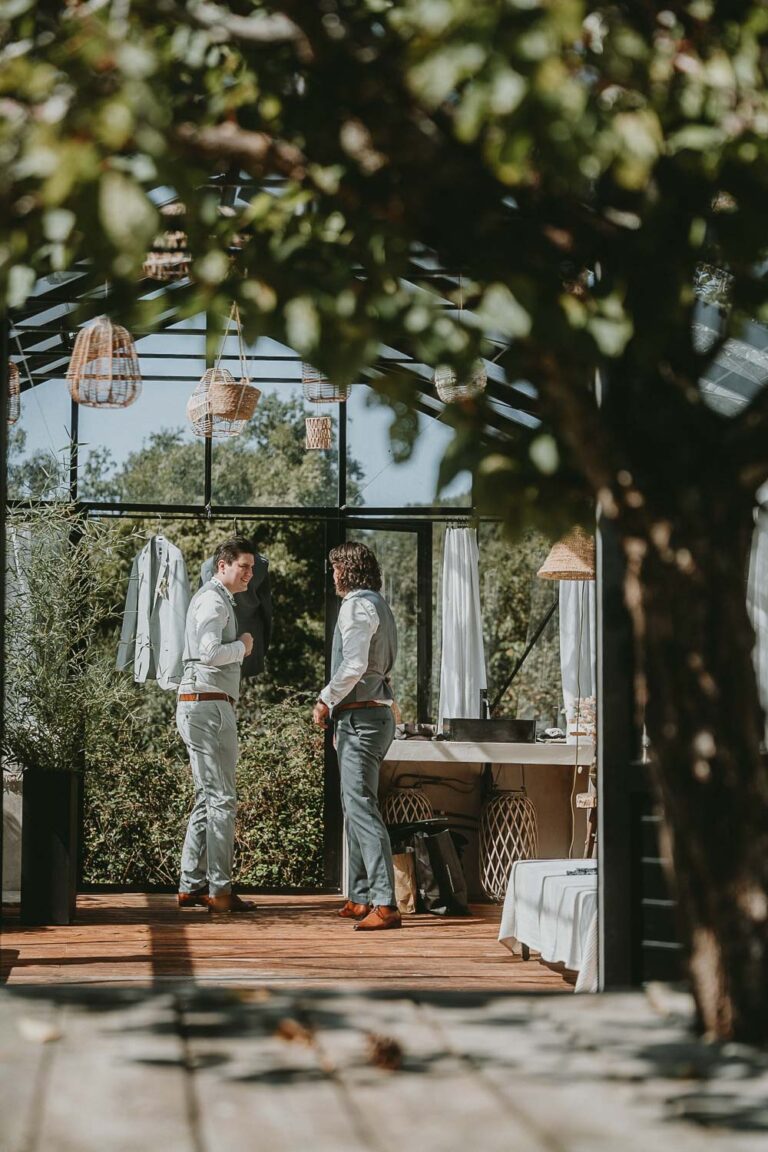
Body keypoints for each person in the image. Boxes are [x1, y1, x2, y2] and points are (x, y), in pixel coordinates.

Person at [313, 541, 401, 931]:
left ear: (346, 570)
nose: (332, 576)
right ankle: (360, 895)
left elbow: (353, 665)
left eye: (335, 569)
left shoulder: (356, 606)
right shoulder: (378, 604)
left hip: (362, 720)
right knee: (355, 807)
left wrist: (324, 700)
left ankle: (385, 903)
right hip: (370, 718)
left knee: (362, 808)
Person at [177, 535, 257, 914]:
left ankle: (191, 885)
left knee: (207, 797)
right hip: (208, 705)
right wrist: (243, 645)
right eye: (243, 567)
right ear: (222, 565)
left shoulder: (216, 599)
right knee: (223, 798)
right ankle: (219, 891)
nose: (249, 574)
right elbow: (209, 652)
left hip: (201, 704)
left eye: (252, 568)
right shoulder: (213, 599)